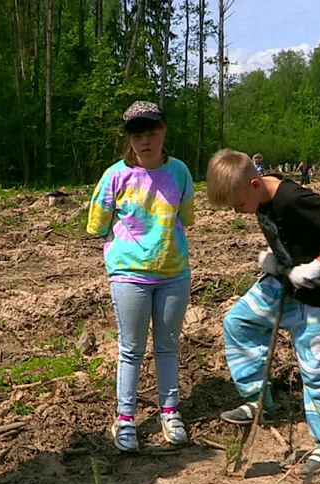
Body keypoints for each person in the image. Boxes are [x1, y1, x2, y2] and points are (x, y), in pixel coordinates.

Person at [206, 150, 320, 475]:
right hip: (284, 285)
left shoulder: (292, 198)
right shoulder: (260, 198)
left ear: (253, 184)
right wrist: (278, 261)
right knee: (238, 321)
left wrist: (318, 265)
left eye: (238, 204)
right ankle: (258, 397)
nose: (237, 211)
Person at [86, 100, 195, 453]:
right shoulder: (115, 176)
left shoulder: (179, 173)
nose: (145, 141)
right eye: (137, 135)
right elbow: (96, 224)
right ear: (129, 139)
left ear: (163, 133)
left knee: (168, 346)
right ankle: (126, 418)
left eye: (151, 133)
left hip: (173, 273)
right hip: (129, 275)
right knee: (131, 350)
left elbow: (187, 217)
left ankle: (170, 411)